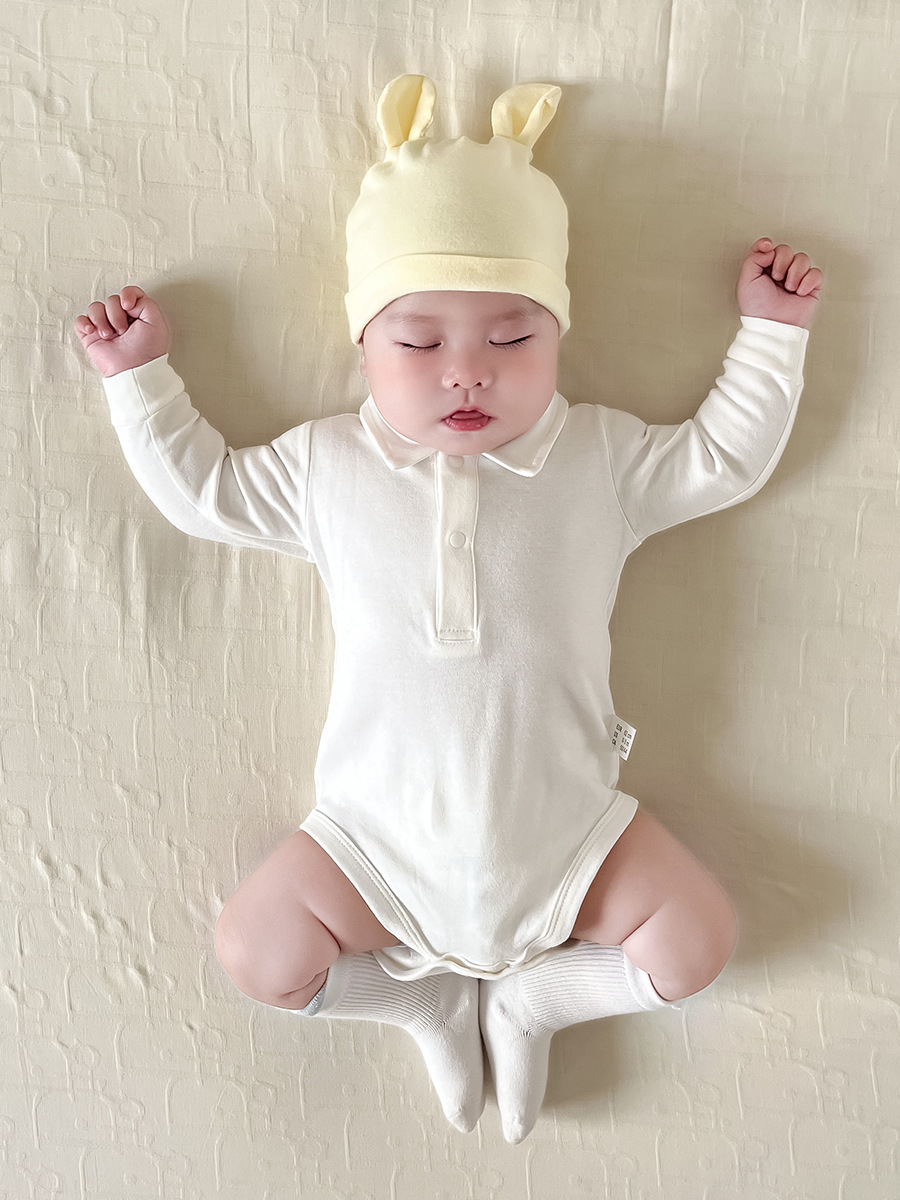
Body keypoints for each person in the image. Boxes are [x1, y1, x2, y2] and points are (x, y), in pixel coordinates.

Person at [75, 75, 823, 1143]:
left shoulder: (600, 458)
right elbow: (207, 492)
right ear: (363, 347)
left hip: (568, 835)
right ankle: (418, 999)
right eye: (419, 344)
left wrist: (772, 334)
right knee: (257, 952)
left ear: (558, 339)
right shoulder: (328, 466)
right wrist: (139, 379)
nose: (466, 374)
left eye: (512, 340)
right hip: (374, 845)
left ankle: (538, 998)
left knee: (696, 943)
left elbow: (721, 459)